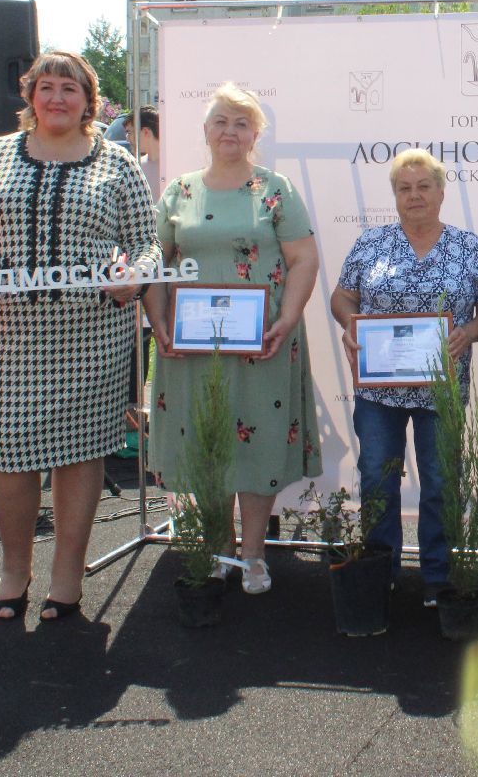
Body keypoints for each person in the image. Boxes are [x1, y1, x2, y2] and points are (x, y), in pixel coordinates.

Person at [0, 51, 160, 622]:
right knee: (12, 455)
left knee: (82, 453)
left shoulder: (117, 162)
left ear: (89, 99)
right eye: (47, 87)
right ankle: (14, 570)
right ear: (30, 96)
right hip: (9, 333)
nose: (57, 97)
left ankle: (67, 577)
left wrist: (132, 278)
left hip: (92, 336)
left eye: (70, 88)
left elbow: (148, 244)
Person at [145, 85, 322, 596]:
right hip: (190, 346)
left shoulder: (275, 189)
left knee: (257, 440)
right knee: (208, 438)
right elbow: (155, 262)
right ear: (204, 131)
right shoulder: (177, 191)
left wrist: (286, 320)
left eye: (241, 123)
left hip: (262, 340)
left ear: (255, 135)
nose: (230, 131)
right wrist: (158, 321)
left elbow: (303, 260)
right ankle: (217, 549)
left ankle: (254, 556)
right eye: (221, 121)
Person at [331, 148, 478, 606]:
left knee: (441, 481)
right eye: (405, 188)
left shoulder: (468, 246)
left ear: (442, 192)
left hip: (441, 391)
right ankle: (380, 570)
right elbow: (342, 296)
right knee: (378, 477)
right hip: (379, 389)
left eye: (424, 186)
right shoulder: (371, 243)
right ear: (395, 196)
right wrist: (349, 323)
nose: (414, 195)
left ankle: (438, 576)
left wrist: (469, 332)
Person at [132, 106, 161, 195]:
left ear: (145, 132)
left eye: (131, 132)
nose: (128, 139)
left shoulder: (173, 165)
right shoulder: (135, 166)